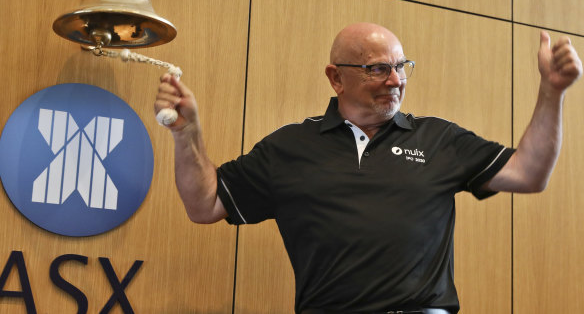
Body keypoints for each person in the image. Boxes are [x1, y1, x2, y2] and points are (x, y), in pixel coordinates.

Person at [154, 22, 582, 314]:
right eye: (378, 69)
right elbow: (205, 203)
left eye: (400, 67)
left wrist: (552, 91)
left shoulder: (438, 139)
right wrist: (186, 135)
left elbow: (529, 173)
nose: (395, 81)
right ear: (336, 78)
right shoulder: (289, 147)